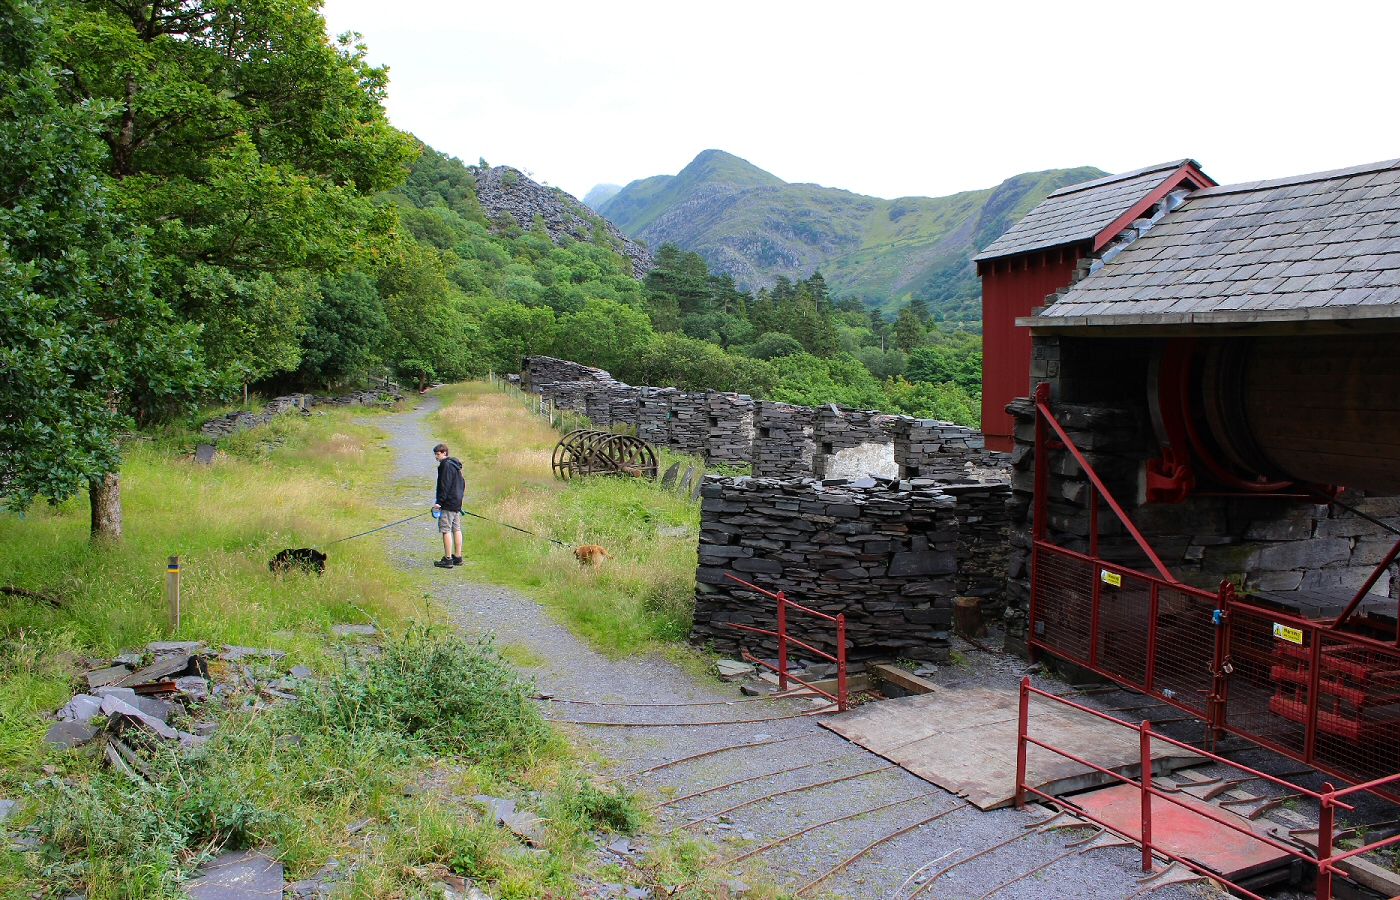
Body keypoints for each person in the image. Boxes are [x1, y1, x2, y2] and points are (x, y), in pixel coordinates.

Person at [432, 443, 464, 568]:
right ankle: (458, 556)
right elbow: (462, 483)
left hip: (448, 503)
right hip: (456, 502)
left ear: (444, 452)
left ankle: (448, 558)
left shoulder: (445, 465)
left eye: (438, 453)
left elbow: (444, 485)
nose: (436, 456)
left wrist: (439, 502)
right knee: (456, 529)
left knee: (446, 529)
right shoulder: (456, 466)